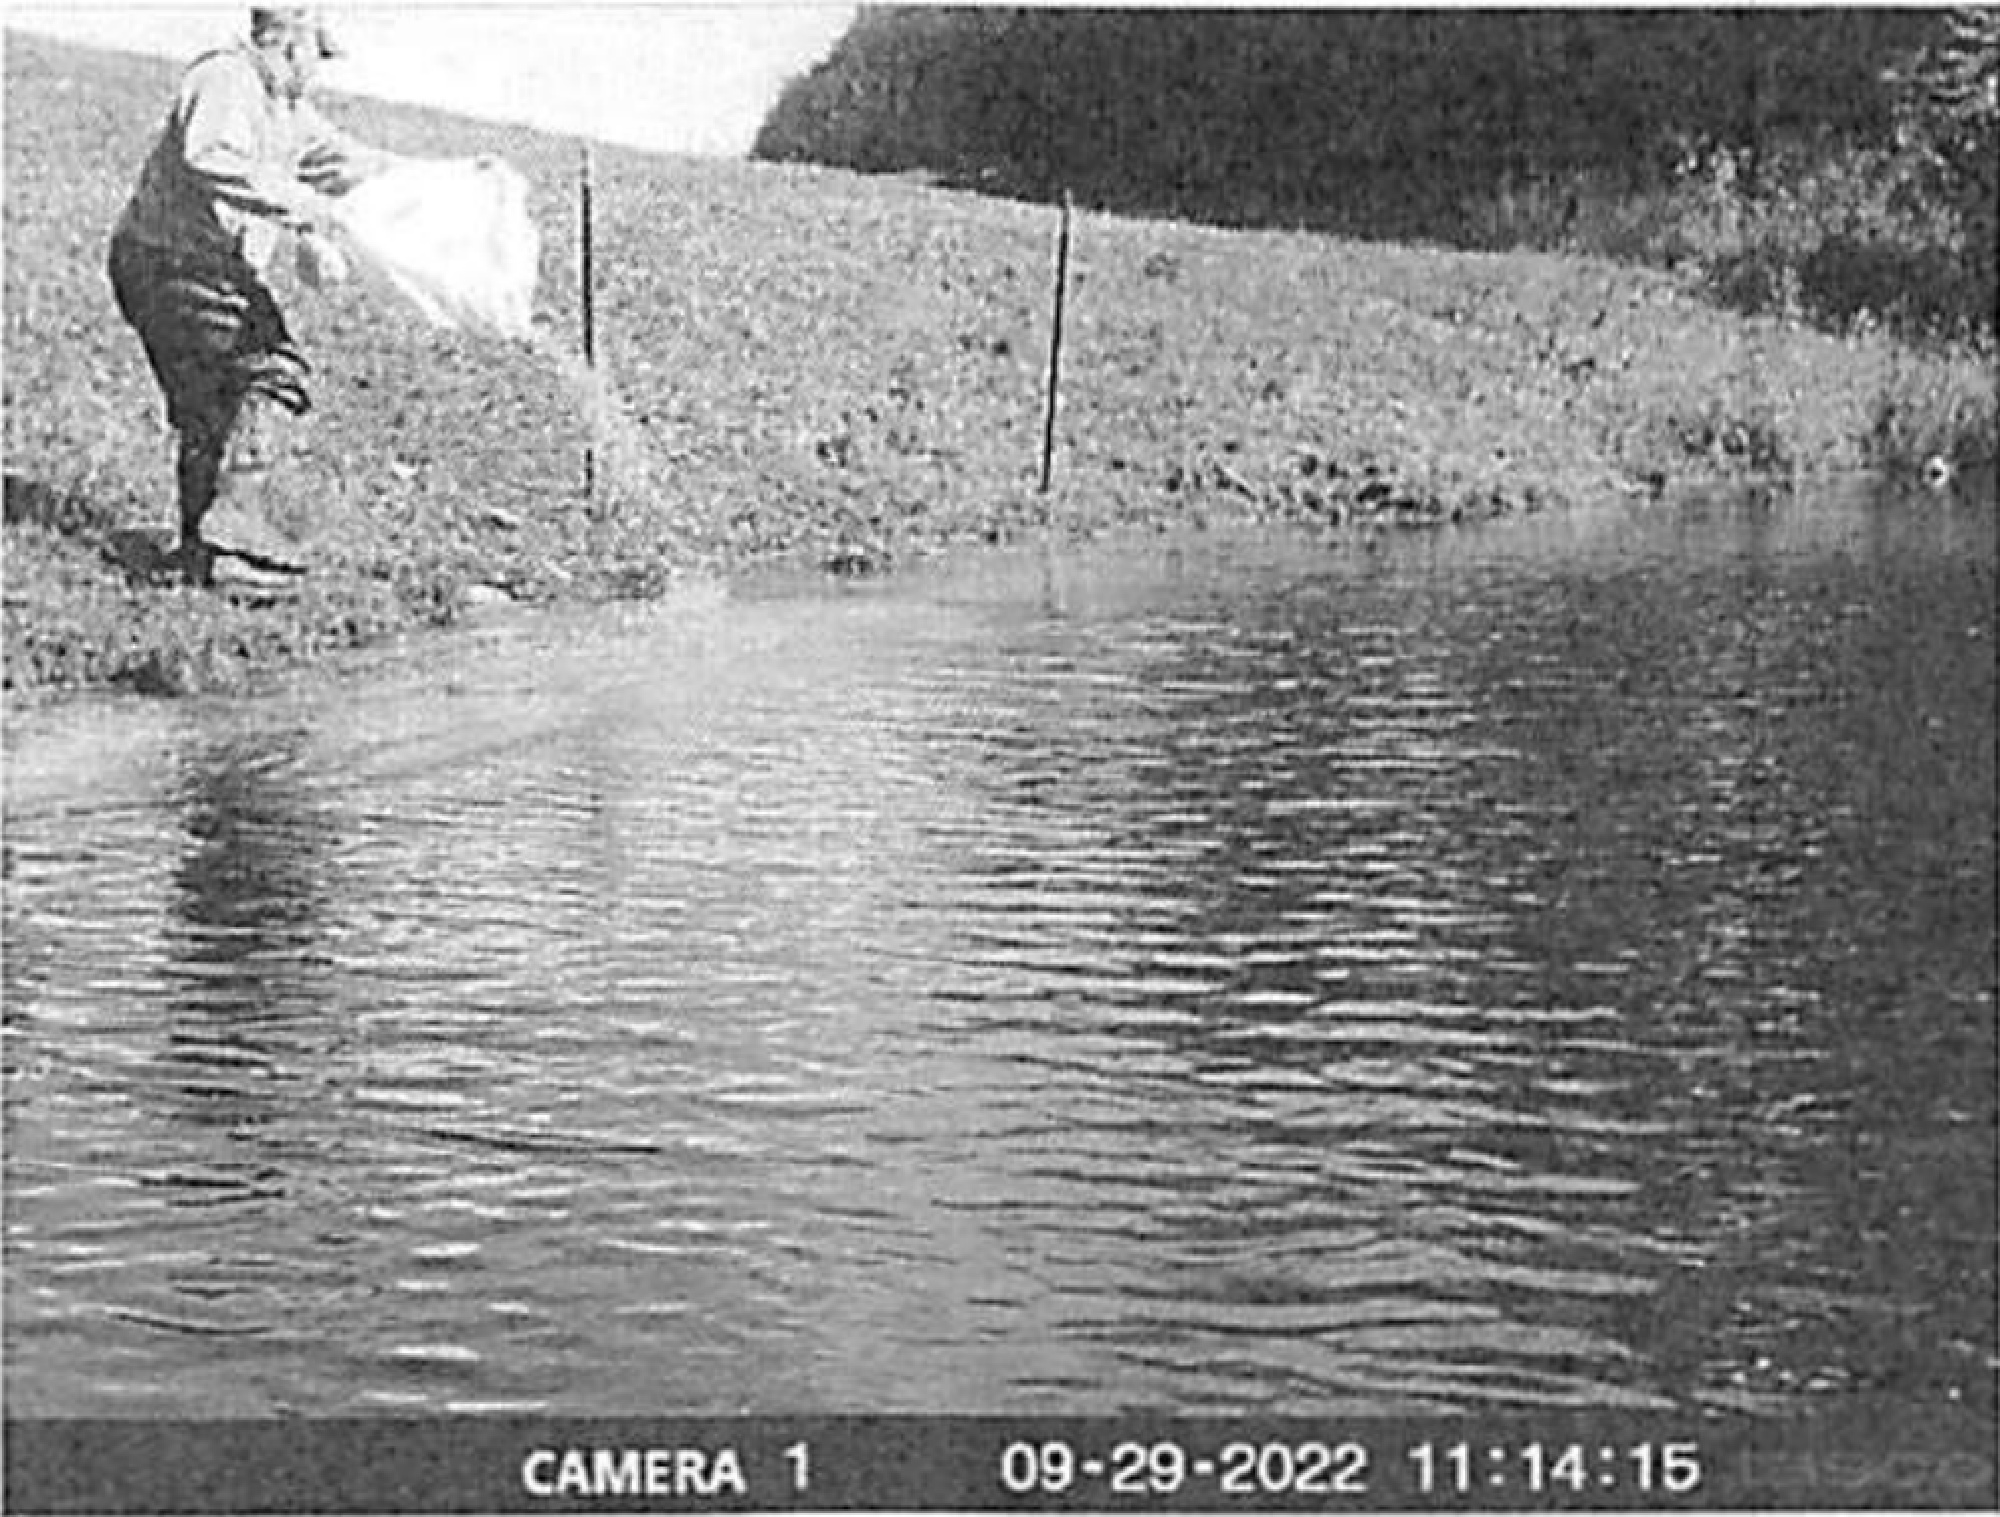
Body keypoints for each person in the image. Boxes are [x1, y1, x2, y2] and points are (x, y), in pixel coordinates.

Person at [108, 7, 395, 587]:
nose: (317, 70)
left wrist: (449, 178)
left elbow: (347, 160)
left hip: (184, 267)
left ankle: (202, 559)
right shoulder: (225, 78)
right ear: (291, 46)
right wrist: (307, 213)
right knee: (272, 372)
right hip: (172, 262)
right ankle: (233, 541)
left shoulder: (285, 110)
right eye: (317, 56)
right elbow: (211, 156)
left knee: (209, 410)